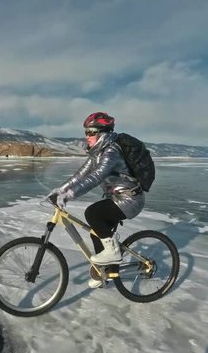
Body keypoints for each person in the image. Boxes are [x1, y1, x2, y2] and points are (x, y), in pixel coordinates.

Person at [48, 112, 145, 288]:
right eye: (86, 132)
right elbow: (81, 175)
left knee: (93, 213)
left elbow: (95, 177)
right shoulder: (97, 153)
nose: (88, 136)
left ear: (103, 133)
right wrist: (60, 190)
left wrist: (69, 195)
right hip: (117, 197)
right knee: (96, 232)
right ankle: (105, 272)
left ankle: (113, 252)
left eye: (92, 132)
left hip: (129, 199)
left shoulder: (111, 151)